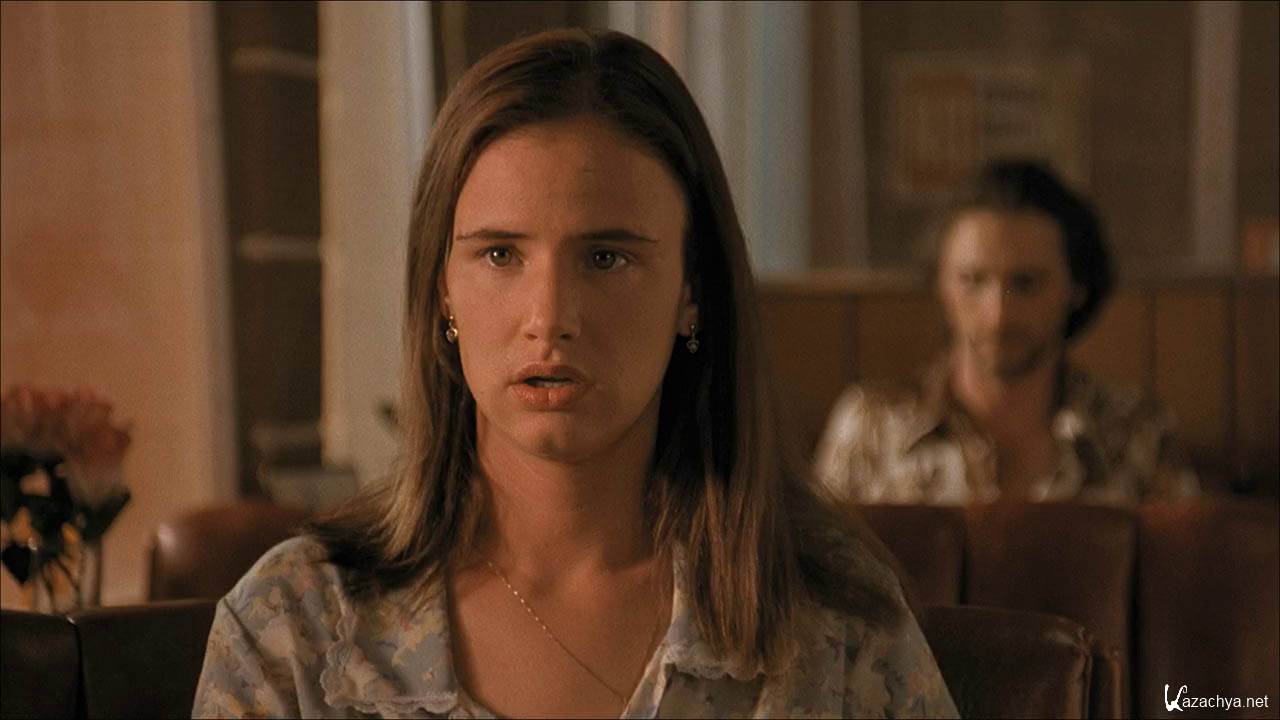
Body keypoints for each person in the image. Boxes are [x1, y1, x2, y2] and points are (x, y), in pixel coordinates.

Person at [192, 29, 956, 719]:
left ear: (691, 291)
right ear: (443, 290)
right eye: (500, 255)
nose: (550, 316)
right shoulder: (298, 628)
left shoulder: (830, 624)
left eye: (606, 257)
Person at [816, 160, 1200, 506]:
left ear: (1075, 288)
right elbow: (815, 560)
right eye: (972, 281)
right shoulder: (872, 428)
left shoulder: (1136, 433)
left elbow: (1184, 561)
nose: (998, 314)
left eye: (1026, 283)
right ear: (941, 284)